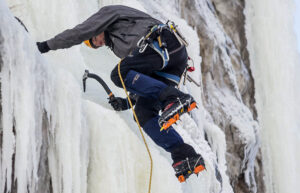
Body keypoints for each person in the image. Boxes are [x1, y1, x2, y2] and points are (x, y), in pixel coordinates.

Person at [37, 5, 205, 182]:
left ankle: (174, 98)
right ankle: (184, 154)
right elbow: (143, 80)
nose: (98, 43)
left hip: (163, 42)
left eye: (94, 38)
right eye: (94, 45)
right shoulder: (118, 47)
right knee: (143, 113)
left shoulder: (108, 14)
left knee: (118, 73)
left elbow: (79, 32)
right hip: (171, 63)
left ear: (97, 28)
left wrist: (45, 46)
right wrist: (127, 102)